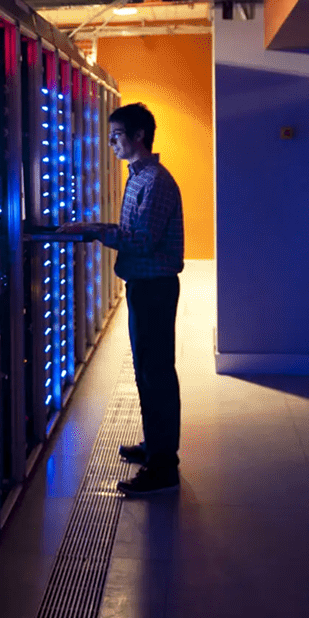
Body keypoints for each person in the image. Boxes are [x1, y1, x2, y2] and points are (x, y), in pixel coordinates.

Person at [60, 102, 183, 496]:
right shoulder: (137, 178)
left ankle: (164, 467)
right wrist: (92, 228)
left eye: (115, 135)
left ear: (138, 136)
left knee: (157, 374)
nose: (110, 142)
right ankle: (155, 446)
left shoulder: (156, 182)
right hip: (143, 286)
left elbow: (142, 241)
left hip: (154, 288)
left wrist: (93, 230)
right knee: (147, 371)